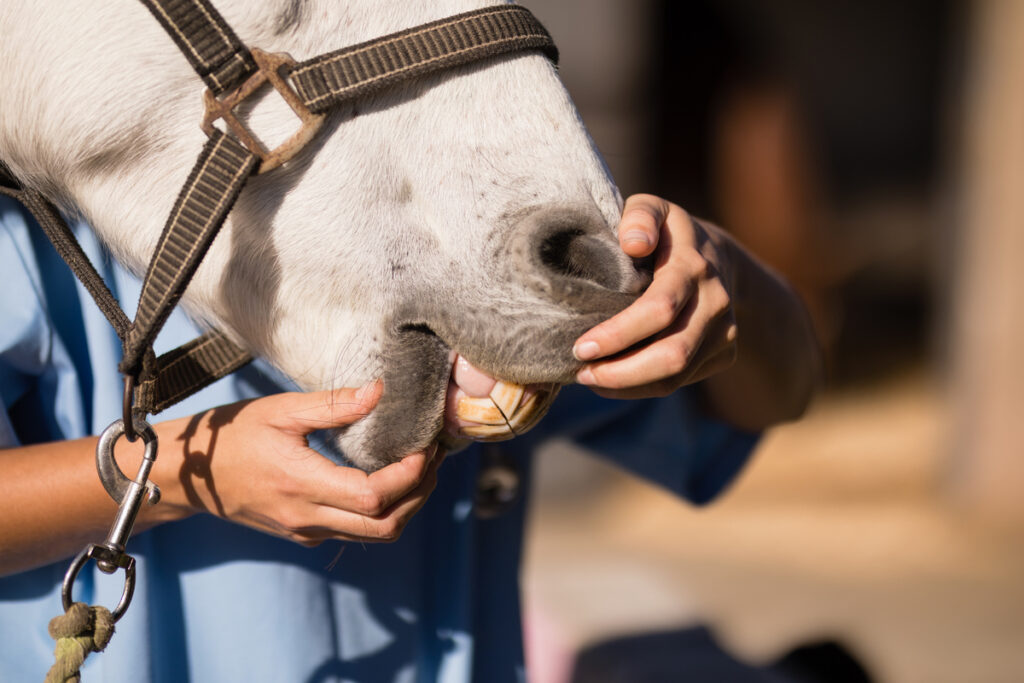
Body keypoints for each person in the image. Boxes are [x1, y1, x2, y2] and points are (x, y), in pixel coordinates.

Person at [0, 193, 820, 681]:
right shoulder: (45, 209)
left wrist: (726, 280)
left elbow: (770, 397)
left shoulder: (469, 189)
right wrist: (179, 470)